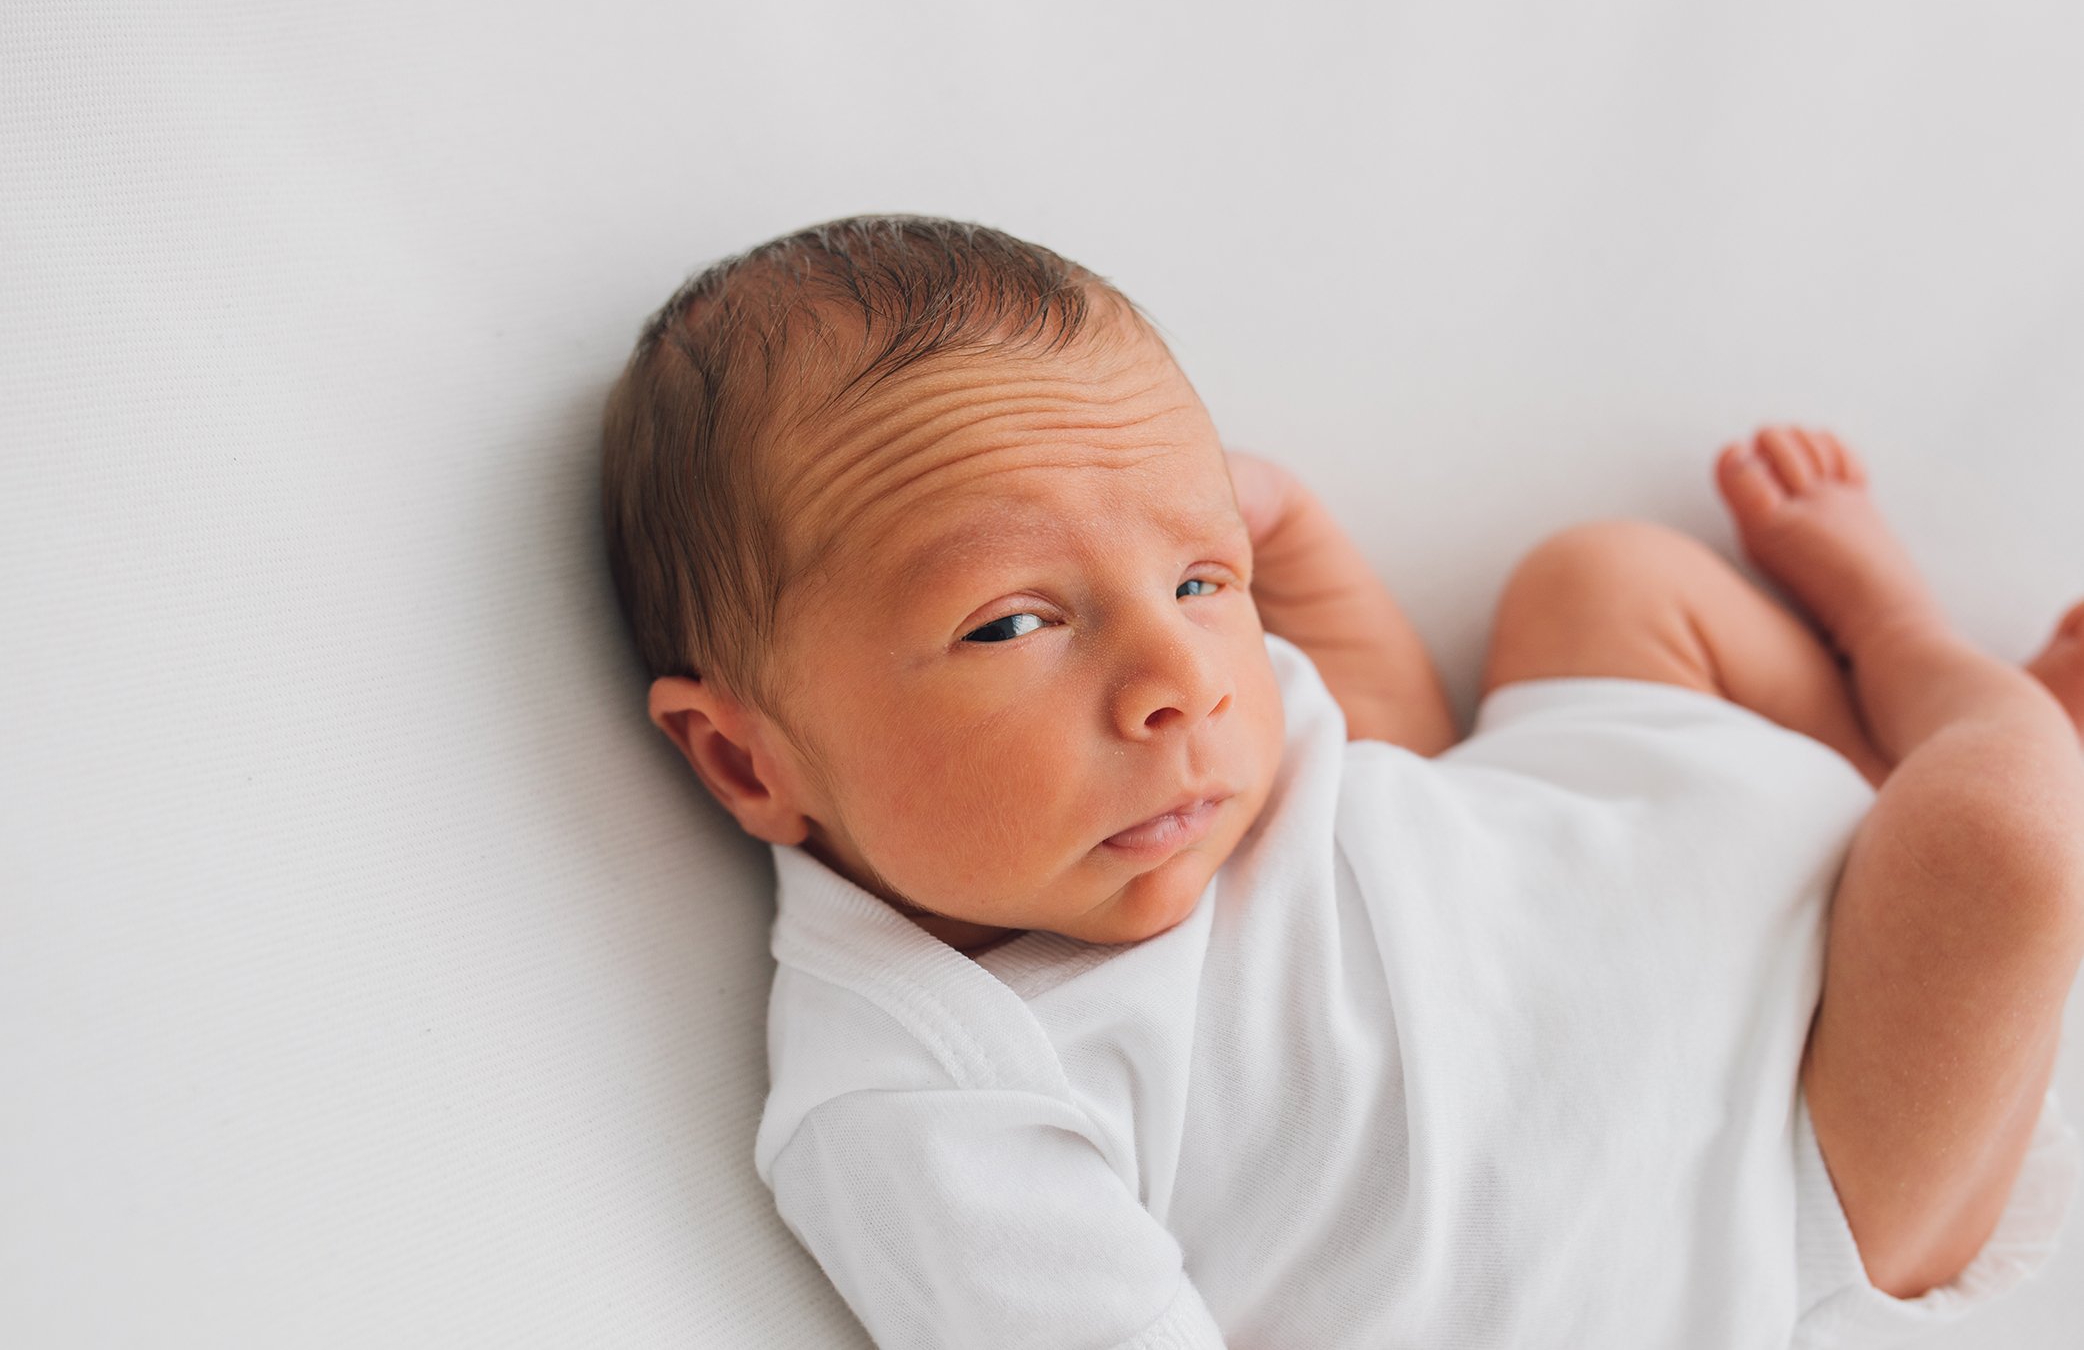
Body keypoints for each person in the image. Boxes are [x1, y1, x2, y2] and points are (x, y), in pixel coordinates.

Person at [600, 214, 2084, 1347]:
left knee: (1601, 577)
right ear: (748, 755)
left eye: (1197, 575)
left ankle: (1893, 730)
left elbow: (1395, 766)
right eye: (1011, 623)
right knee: (2008, 834)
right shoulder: (934, 1094)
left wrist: (1294, 552)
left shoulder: (1192, 739)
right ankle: (1940, 674)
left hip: (1628, 879)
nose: (1179, 675)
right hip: (1778, 1174)